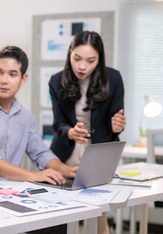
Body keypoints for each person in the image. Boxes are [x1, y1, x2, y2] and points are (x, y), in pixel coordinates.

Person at [0, 45, 77, 186]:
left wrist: (66, 170)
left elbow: (40, 153)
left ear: (23, 79)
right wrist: (33, 176)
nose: (4, 80)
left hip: (11, 192)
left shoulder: (25, 116)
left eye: (12, 74)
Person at [49, 31, 126, 234]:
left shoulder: (114, 78)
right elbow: (58, 123)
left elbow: (116, 120)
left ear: (99, 59)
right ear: (69, 54)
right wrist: (70, 132)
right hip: (67, 151)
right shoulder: (56, 81)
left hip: (99, 149)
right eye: (77, 58)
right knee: (62, 207)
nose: (82, 66)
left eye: (91, 60)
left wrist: (117, 125)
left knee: (99, 208)